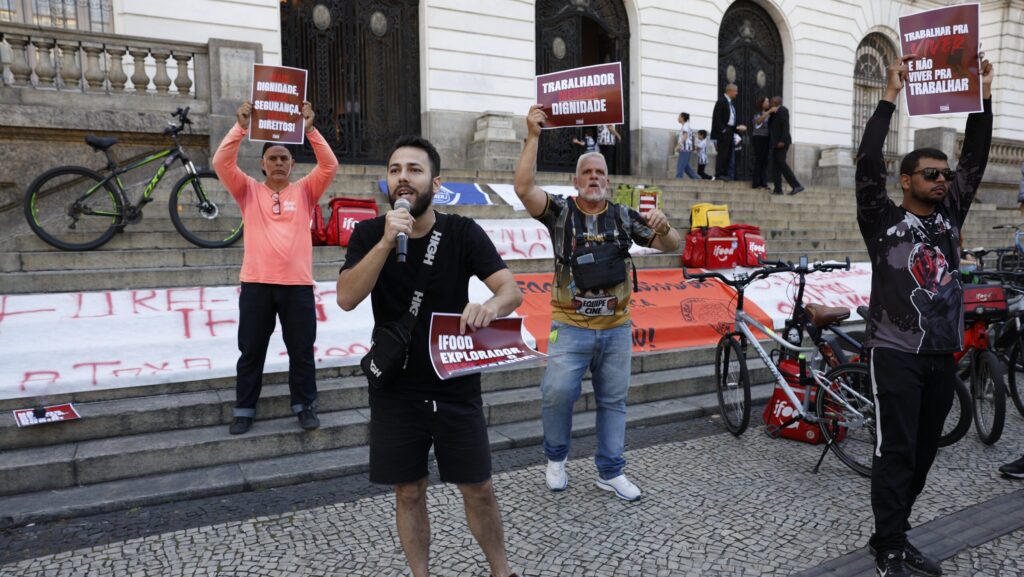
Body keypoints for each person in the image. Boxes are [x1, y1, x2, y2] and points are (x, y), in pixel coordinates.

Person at [336, 136, 522, 577]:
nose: (403, 177)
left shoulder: (461, 232)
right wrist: (385, 242)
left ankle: (503, 572)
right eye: (395, 169)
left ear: (435, 183)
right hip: (396, 388)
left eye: (414, 169)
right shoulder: (368, 233)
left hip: (455, 383)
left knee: (478, 488)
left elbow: (510, 290)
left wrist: (489, 307)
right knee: (408, 491)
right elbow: (345, 297)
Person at [857, 56, 993, 577]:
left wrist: (982, 98)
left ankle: (893, 532)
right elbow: (868, 159)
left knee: (922, 453)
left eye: (945, 175)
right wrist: (889, 96)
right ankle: (889, 545)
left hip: (941, 353)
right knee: (894, 452)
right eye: (931, 174)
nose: (942, 181)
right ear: (907, 178)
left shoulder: (949, 215)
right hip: (893, 351)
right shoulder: (881, 218)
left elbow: (976, 159)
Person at [514, 104, 682, 502]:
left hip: (616, 328)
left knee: (614, 400)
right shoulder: (560, 212)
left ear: (608, 180)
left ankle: (610, 471)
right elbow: (523, 189)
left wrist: (666, 226)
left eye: (600, 173)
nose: (594, 178)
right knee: (556, 394)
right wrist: (534, 136)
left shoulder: (624, 216)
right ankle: (556, 460)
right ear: (575, 181)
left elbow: (672, 246)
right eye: (587, 173)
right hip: (569, 326)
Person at [213, 100, 338, 435]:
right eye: (273, 158)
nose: (279, 162)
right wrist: (240, 127)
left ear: (292, 164)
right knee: (251, 351)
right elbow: (221, 162)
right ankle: (244, 409)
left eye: (284, 158)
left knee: (301, 352)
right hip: (256, 285)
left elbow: (328, 165)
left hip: (297, 286)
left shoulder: (306, 191)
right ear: (263, 165)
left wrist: (310, 129)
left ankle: (305, 406)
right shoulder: (247, 191)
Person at [768, 95, 805, 195]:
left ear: (777, 102)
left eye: (772, 101)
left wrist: (782, 141)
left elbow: (786, 126)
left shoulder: (783, 110)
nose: (770, 103)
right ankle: (778, 189)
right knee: (776, 165)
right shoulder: (774, 112)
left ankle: (796, 185)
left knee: (781, 163)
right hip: (776, 143)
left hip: (782, 142)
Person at [711, 83, 746, 180]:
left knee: (728, 153)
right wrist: (724, 130)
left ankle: (725, 174)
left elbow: (730, 119)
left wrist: (737, 128)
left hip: (730, 130)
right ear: (730, 91)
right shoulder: (721, 101)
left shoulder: (730, 103)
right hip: (724, 131)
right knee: (723, 153)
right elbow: (717, 118)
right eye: (736, 91)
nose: (737, 93)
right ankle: (719, 174)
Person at [751, 96, 775, 190]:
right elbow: (758, 121)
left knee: (765, 161)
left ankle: (764, 183)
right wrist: (768, 112)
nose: (768, 103)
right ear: (762, 103)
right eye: (766, 101)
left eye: (768, 101)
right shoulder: (758, 114)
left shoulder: (770, 115)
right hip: (758, 138)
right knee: (759, 160)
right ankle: (756, 184)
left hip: (766, 139)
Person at [675, 113, 700, 179]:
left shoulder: (685, 126)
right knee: (686, 167)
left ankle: (678, 179)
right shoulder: (686, 126)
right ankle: (697, 179)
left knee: (680, 165)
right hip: (686, 149)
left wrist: (678, 145)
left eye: (679, 117)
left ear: (682, 118)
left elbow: (685, 136)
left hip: (685, 149)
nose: (678, 118)